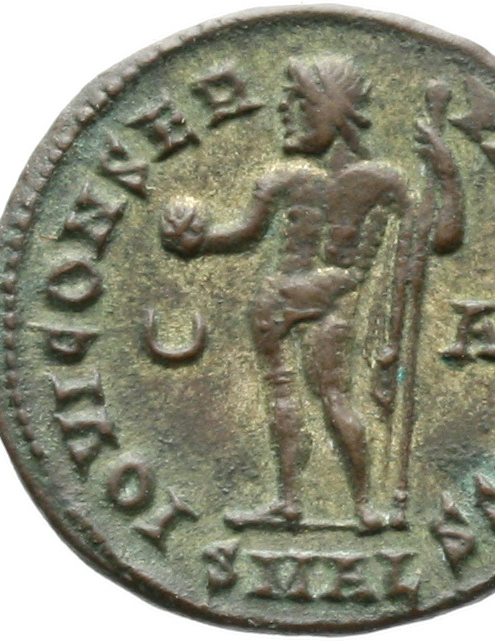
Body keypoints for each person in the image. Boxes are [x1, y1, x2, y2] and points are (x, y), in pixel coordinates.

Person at [160, 57, 462, 532]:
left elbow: (437, 240)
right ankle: (320, 504)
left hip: (303, 300)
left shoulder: (375, 181)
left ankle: (343, 504)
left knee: (321, 395)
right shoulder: (300, 178)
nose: (286, 111)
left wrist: (446, 175)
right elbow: (244, 234)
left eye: (298, 101)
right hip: (292, 302)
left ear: (331, 107)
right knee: (304, 396)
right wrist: (195, 242)